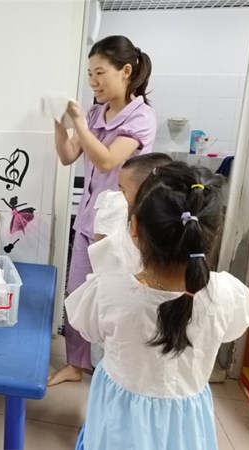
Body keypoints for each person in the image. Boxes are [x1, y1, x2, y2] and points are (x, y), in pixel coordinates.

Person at [66, 161, 249, 450]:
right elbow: (233, 329)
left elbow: (87, 328)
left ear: (134, 227)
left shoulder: (108, 291)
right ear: (211, 233)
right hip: (186, 426)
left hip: (120, 420)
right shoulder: (228, 294)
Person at [49, 35, 157, 385]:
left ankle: (117, 369)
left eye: (100, 73)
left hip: (121, 227)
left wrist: (80, 123)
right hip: (88, 221)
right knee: (78, 295)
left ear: (125, 71)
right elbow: (68, 156)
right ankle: (75, 364)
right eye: (89, 74)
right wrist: (59, 122)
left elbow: (108, 160)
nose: (93, 82)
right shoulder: (96, 113)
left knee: (117, 298)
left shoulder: (142, 117)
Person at [88, 152, 173, 275]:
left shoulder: (157, 236)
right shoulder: (124, 224)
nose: (117, 195)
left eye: (122, 190)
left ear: (146, 193)